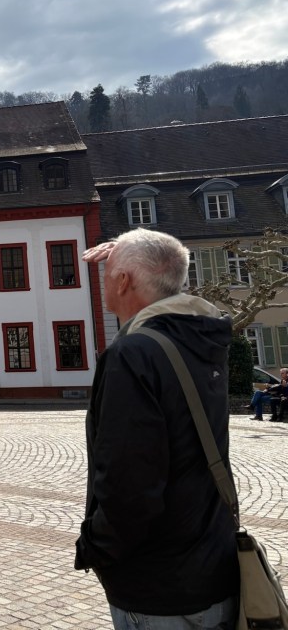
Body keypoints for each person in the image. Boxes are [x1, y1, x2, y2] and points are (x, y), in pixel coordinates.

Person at [75, 229, 238, 629]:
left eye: (108, 275)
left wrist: (96, 547)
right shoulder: (200, 338)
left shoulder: (133, 354)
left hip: (159, 585)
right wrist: (134, 253)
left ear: (123, 281)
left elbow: (129, 484)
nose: (102, 282)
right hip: (210, 564)